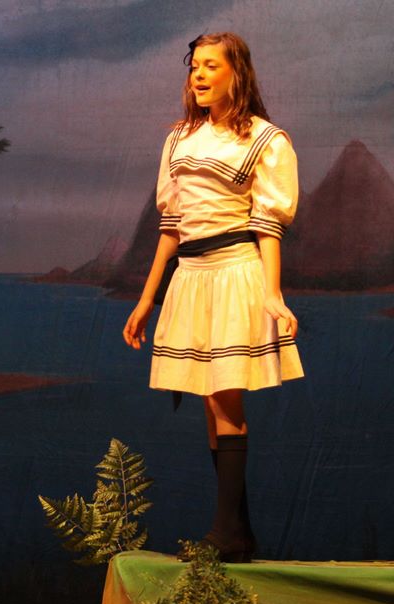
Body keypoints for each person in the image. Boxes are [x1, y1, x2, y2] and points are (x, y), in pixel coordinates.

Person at [122, 33, 303, 563]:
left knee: (225, 398)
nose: (198, 75)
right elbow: (172, 226)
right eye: (194, 66)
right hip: (191, 275)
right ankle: (237, 533)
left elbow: (268, 224)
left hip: (234, 272)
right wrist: (146, 300)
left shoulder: (264, 140)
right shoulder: (179, 139)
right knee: (208, 400)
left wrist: (272, 294)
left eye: (210, 66)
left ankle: (224, 534)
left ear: (235, 74)